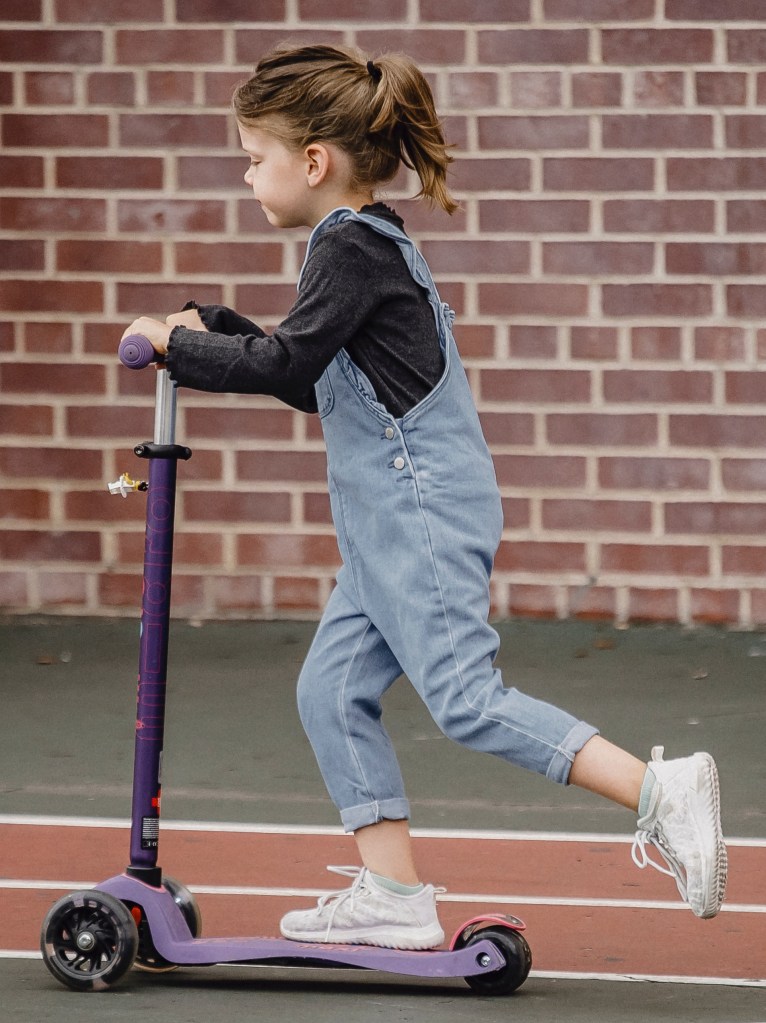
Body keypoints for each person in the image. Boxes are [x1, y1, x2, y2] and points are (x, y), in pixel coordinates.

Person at [121, 43, 727, 950]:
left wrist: (172, 347)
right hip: (383, 523)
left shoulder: (351, 247)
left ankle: (659, 790)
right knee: (330, 691)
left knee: (466, 698)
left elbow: (290, 361)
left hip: (420, 511)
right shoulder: (363, 240)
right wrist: (215, 329)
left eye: (255, 159)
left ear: (313, 162)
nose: (248, 177)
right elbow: (306, 372)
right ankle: (394, 892)